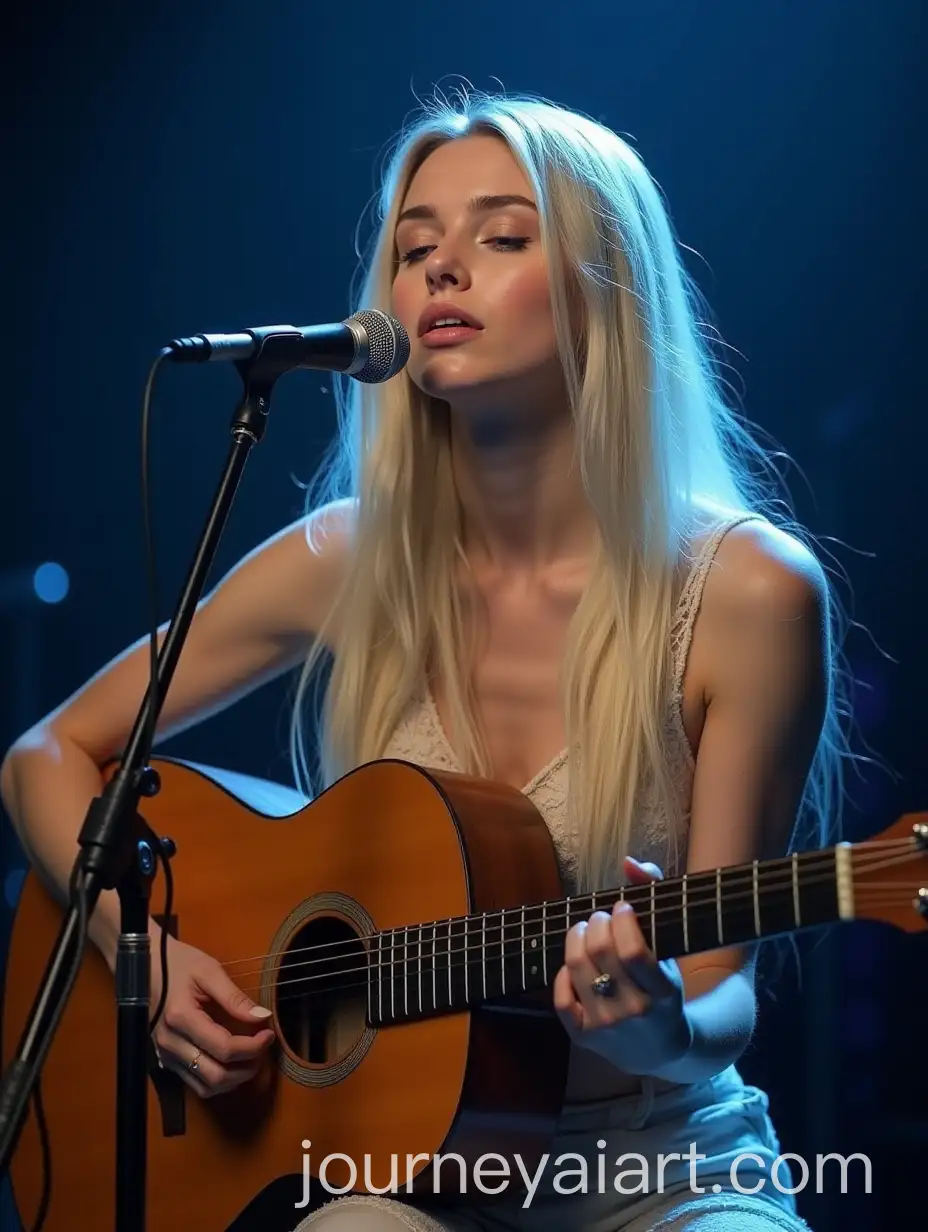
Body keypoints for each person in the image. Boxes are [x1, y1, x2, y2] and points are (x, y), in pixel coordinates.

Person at [0, 89, 849, 1230]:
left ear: (609, 292)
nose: (442, 269)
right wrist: (141, 957)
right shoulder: (344, 557)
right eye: (414, 247)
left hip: (662, 1161)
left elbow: (718, 985)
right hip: (404, 1168)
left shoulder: (750, 589)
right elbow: (43, 754)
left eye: (502, 237)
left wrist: (655, 1024)